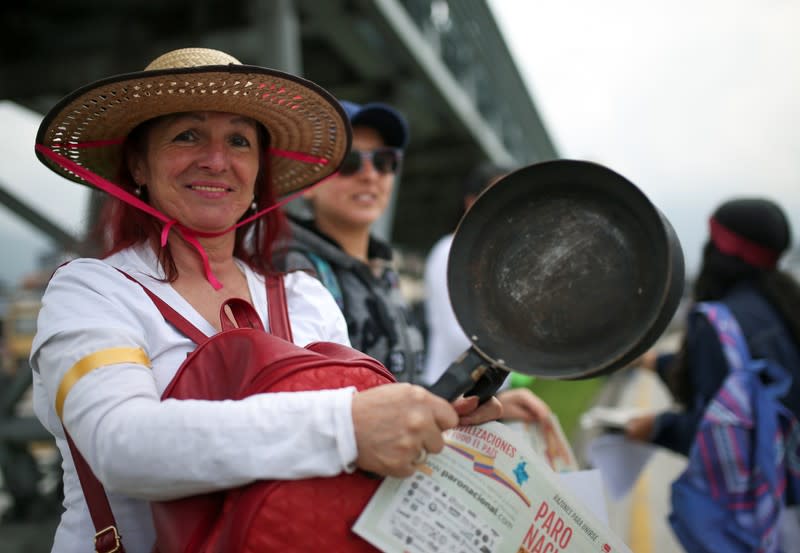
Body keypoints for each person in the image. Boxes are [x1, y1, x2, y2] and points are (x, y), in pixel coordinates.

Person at [30, 47, 501, 553]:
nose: (216, 159)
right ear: (138, 165)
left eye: (238, 140)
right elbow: (121, 445)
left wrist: (435, 421)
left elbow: (361, 459)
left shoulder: (305, 297)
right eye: (187, 135)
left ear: (258, 173)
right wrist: (348, 423)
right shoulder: (92, 290)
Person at [624, 198, 800, 458]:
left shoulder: (717, 321)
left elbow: (718, 431)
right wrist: (653, 362)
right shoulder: (785, 305)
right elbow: (737, 376)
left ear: (719, 251)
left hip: (752, 495)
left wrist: (657, 427)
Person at [275, 100, 426, 383]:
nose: (370, 175)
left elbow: (405, 385)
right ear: (308, 182)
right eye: (349, 162)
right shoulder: (293, 270)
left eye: (383, 161)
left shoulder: (383, 267)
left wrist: (464, 403)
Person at [422, 161, 552, 423]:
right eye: (498, 197)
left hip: (484, 397)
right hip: (445, 394)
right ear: (472, 202)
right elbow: (460, 335)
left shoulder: (497, 259)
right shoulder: (449, 251)